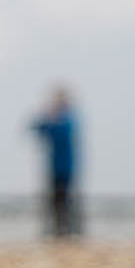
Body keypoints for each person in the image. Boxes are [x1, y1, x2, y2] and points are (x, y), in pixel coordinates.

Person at [31, 85, 80, 239]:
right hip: (53, 167)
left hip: (67, 167)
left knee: (66, 199)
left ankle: (69, 229)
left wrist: (53, 121)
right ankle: (56, 229)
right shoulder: (51, 118)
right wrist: (45, 116)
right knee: (53, 199)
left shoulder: (69, 119)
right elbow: (37, 129)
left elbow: (63, 134)